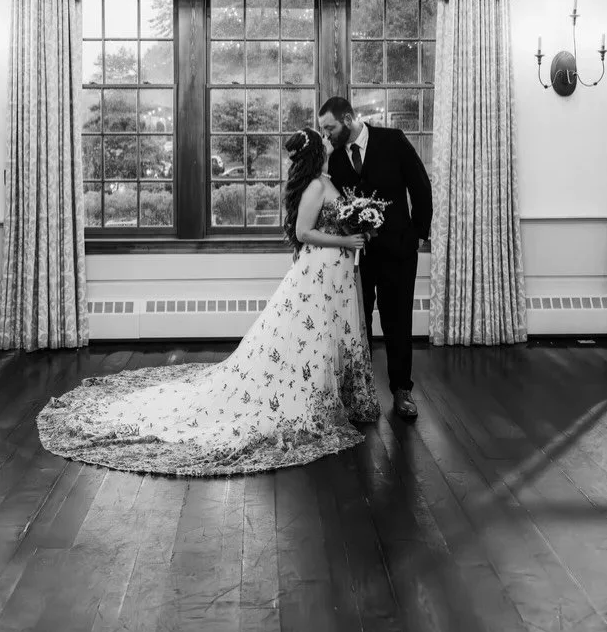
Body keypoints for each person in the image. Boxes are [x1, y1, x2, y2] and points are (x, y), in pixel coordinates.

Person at [37, 128, 379, 477]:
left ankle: (338, 395)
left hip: (335, 274)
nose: (329, 143)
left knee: (328, 335)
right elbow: (304, 233)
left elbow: (331, 222)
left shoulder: (325, 181)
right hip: (318, 272)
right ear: (316, 152)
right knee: (312, 336)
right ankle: (311, 398)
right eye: (324, 141)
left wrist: (361, 226)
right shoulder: (316, 186)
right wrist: (346, 242)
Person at [318, 97, 432, 419]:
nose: (326, 135)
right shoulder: (334, 159)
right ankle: (362, 392)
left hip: (399, 251)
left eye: (330, 128)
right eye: (323, 130)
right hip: (357, 257)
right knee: (359, 322)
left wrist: (418, 234)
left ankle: (402, 390)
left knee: (398, 322)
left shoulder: (393, 140)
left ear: (348, 119)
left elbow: (420, 186)